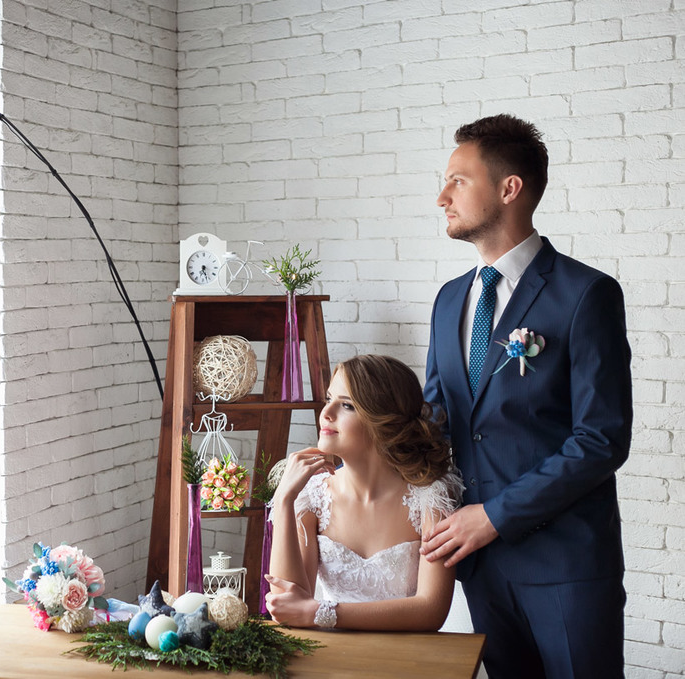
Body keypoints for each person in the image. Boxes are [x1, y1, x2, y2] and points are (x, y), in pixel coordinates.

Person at [422, 114, 633, 679]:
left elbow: (601, 440)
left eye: (458, 181)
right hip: (479, 567)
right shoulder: (448, 300)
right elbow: (434, 423)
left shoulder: (586, 294)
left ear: (509, 188)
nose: (442, 197)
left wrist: (494, 516)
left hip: (566, 566)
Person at [264, 354, 463, 632]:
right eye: (329, 399)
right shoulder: (311, 497)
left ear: (384, 422)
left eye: (346, 405)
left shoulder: (430, 499)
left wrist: (322, 612)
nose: (326, 412)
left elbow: (431, 612)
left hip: (409, 654)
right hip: (330, 653)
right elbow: (286, 608)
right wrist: (285, 499)